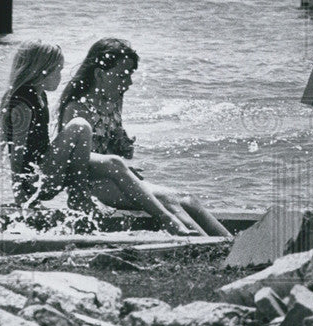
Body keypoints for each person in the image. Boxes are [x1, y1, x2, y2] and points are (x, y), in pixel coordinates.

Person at [0, 41, 193, 235]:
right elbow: (17, 154)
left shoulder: (40, 95)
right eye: (57, 71)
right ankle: (79, 195)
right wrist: (22, 198)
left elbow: (42, 148)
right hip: (35, 182)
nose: (60, 76)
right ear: (40, 70)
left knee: (114, 163)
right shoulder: (21, 101)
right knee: (80, 125)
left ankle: (166, 219)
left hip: (48, 174)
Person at [57, 38, 231, 236]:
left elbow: (110, 146)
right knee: (169, 200)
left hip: (118, 178)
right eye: (122, 76)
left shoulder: (113, 100)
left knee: (188, 199)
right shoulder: (77, 109)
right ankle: (203, 244)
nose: (129, 82)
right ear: (99, 74)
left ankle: (229, 244)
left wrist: (122, 146)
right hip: (95, 185)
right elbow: (75, 163)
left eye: (130, 75)